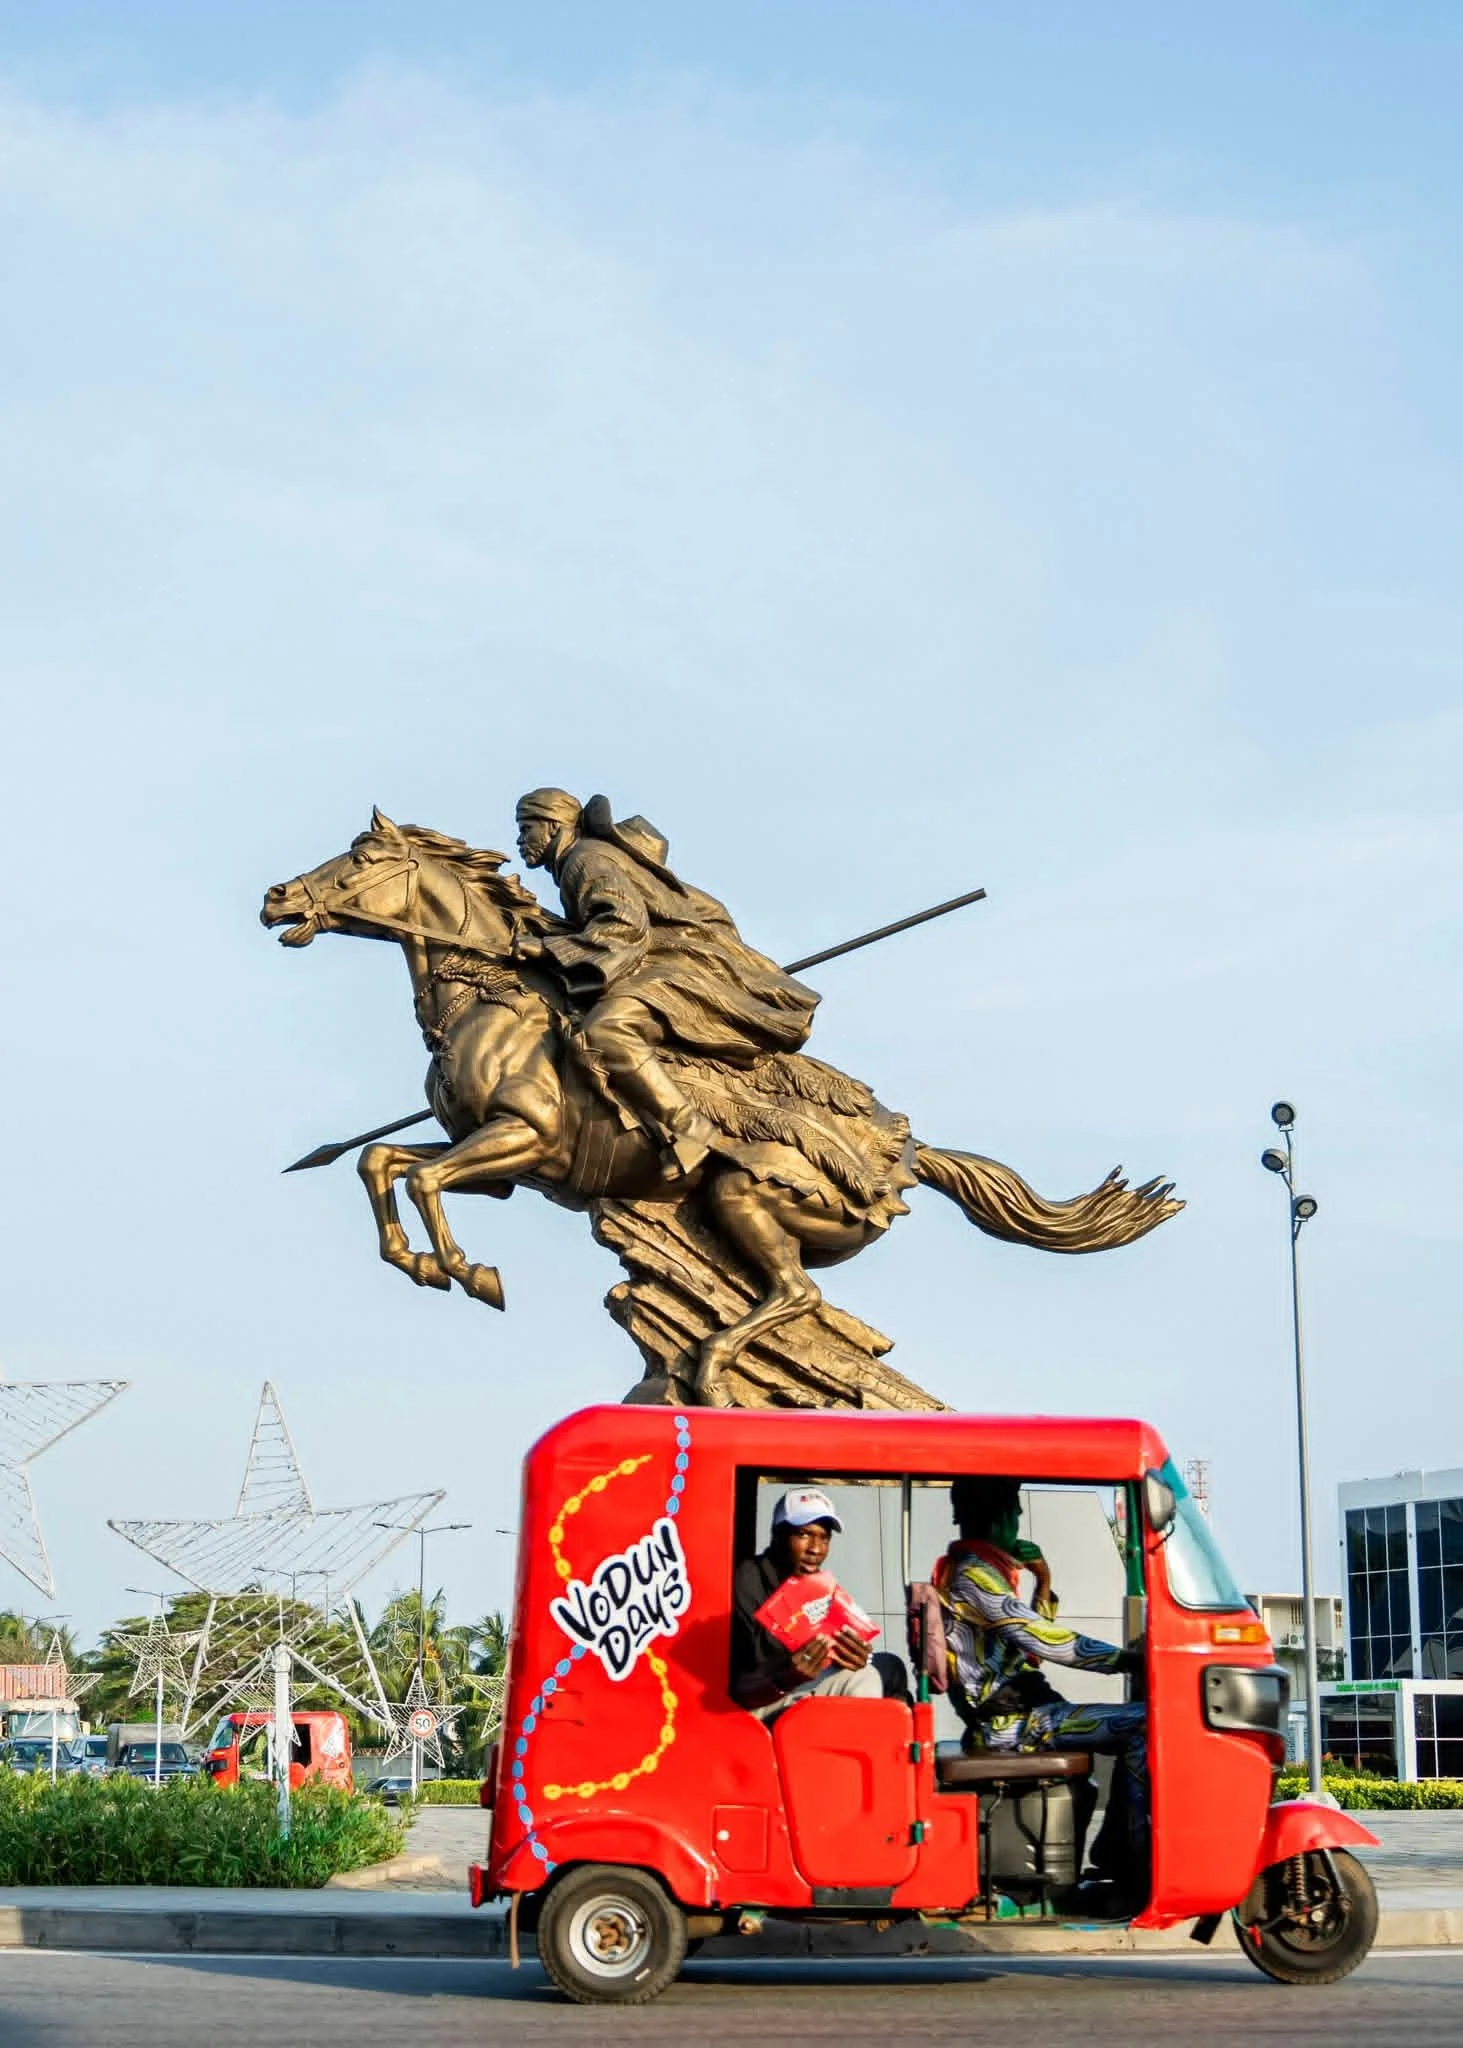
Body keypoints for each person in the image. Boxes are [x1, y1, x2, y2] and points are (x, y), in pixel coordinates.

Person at [512, 789, 819, 1178]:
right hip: (661, 959)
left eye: (526, 829)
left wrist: (546, 950)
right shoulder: (580, 861)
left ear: (553, 826)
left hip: (675, 962)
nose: (520, 841)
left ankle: (689, 1129)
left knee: (607, 1029)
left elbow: (623, 923)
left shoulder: (584, 860)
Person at [936, 1475, 1148, 1891]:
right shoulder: (972, 1576)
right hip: (1013, 1726)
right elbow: (1041, 1639)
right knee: (1144, 1725)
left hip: (1026, 1715)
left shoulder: (986, 1572)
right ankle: (1134, 1859)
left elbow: (1026, 1647)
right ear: (995, 1515)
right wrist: (1127, 1661)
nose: (1018, 1517)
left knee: (1134, 1722)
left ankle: (1115, 1851)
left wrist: (1043, 1580)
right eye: (1013, 1509)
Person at [731, 1487, 895, 1720]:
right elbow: (737, 1686)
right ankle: (848, 1755)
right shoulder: (748, 1581)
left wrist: (855, 1655)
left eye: (824, 1537)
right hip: (759, 1701)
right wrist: (789, 1676)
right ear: (778, 1535)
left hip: (798, 1682)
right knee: (864, 1678)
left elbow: (831, 1647)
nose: (815, 1549)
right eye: (804, 1535)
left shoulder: (810, 1583)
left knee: (890, 1666)